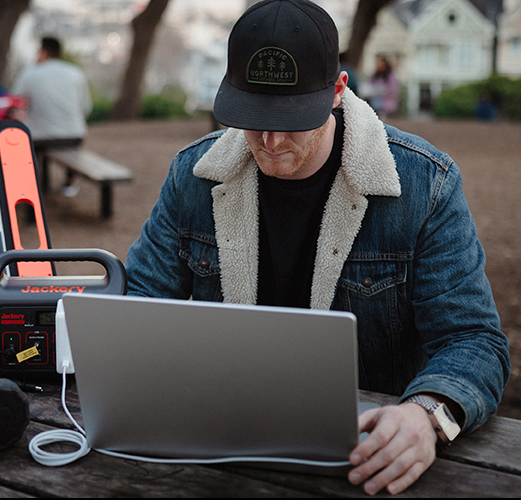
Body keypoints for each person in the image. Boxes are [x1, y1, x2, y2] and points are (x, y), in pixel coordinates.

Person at [123, 0, 510, 495]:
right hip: (217, 444)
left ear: (337, 91)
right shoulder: (192, 175)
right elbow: (138, 307)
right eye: (252, 115)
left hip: (364, 456)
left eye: (291, 117)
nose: (269, 139)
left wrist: (426, 416)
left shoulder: (423, 184)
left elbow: (474, 339)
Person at [12, 36, 92, 196]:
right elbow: (86, 107)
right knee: (69, 142)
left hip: (41, 138)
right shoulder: (75, 72)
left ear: (43, 52)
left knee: (28, 141)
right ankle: (69, 184)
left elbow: (15, 101)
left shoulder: (30, 74)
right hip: (75, 134)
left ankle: (36, 183)